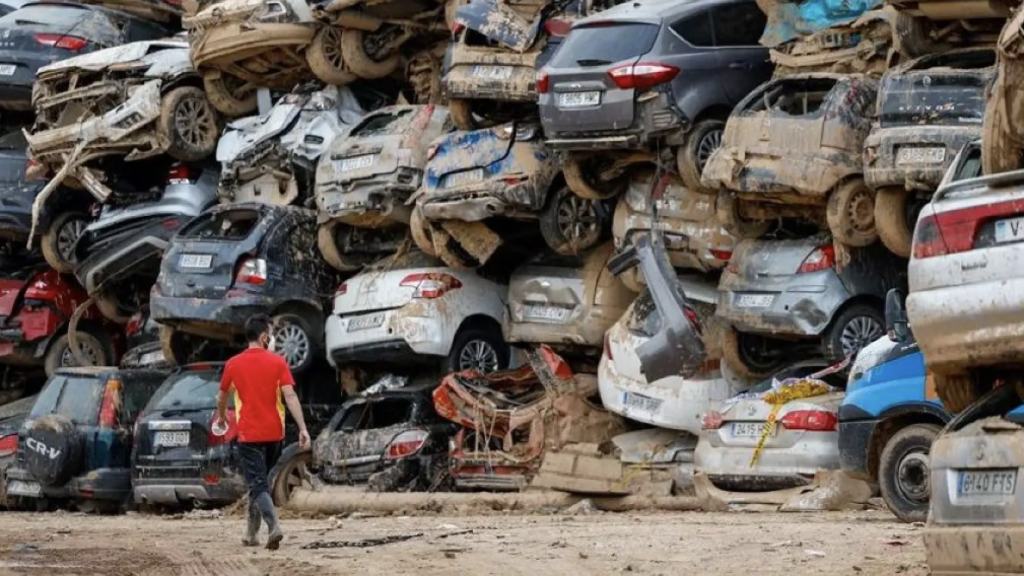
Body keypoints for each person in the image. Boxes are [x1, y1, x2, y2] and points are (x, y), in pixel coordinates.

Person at [215, 314, 311, 550]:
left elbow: (221, 397)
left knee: (258, 485)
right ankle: (250, 533)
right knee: (259, 484)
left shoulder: (233, 364)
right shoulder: (278, 363)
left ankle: (274, 526)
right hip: (274, 436)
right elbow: (289, 396)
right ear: (264, 336)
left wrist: (220, 417)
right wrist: (302, 428)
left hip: (249, 436)